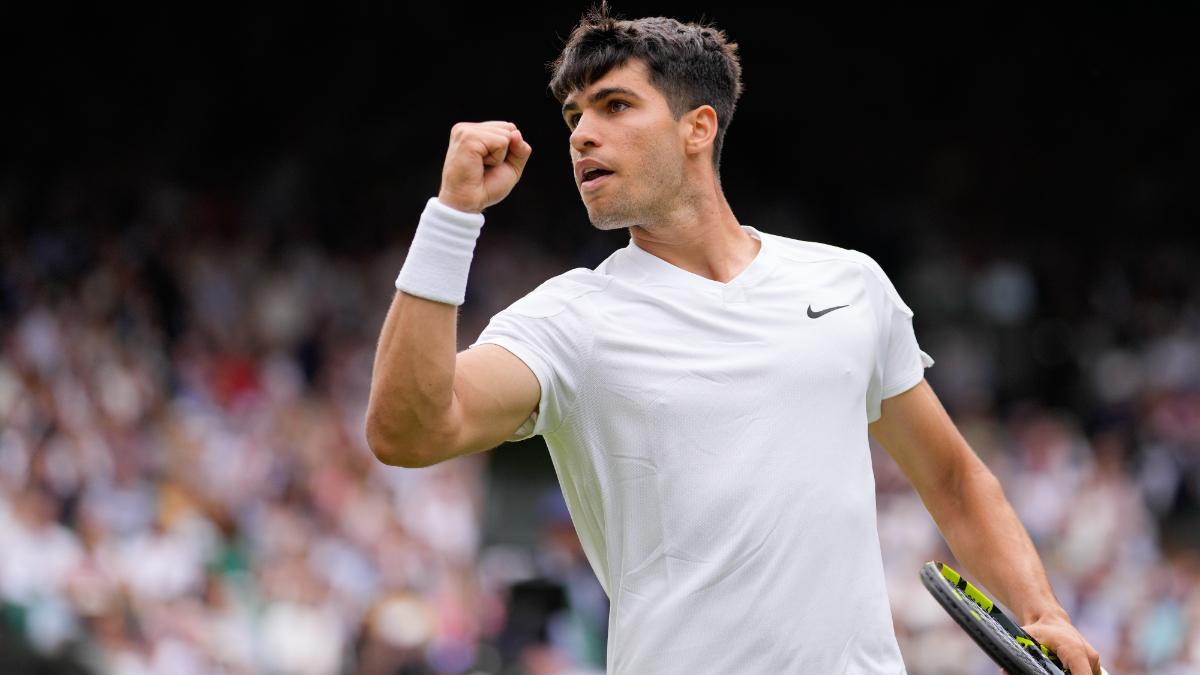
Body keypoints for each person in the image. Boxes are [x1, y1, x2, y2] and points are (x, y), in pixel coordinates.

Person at [365, 3, 1103, 672]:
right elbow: (408, 431)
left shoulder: (848, 284)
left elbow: (954, 479)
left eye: (615, 105)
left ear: (699, 126)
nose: (583, 133)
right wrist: (452, 216)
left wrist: (1043, 612)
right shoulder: (570, 319)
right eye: (573, 117)